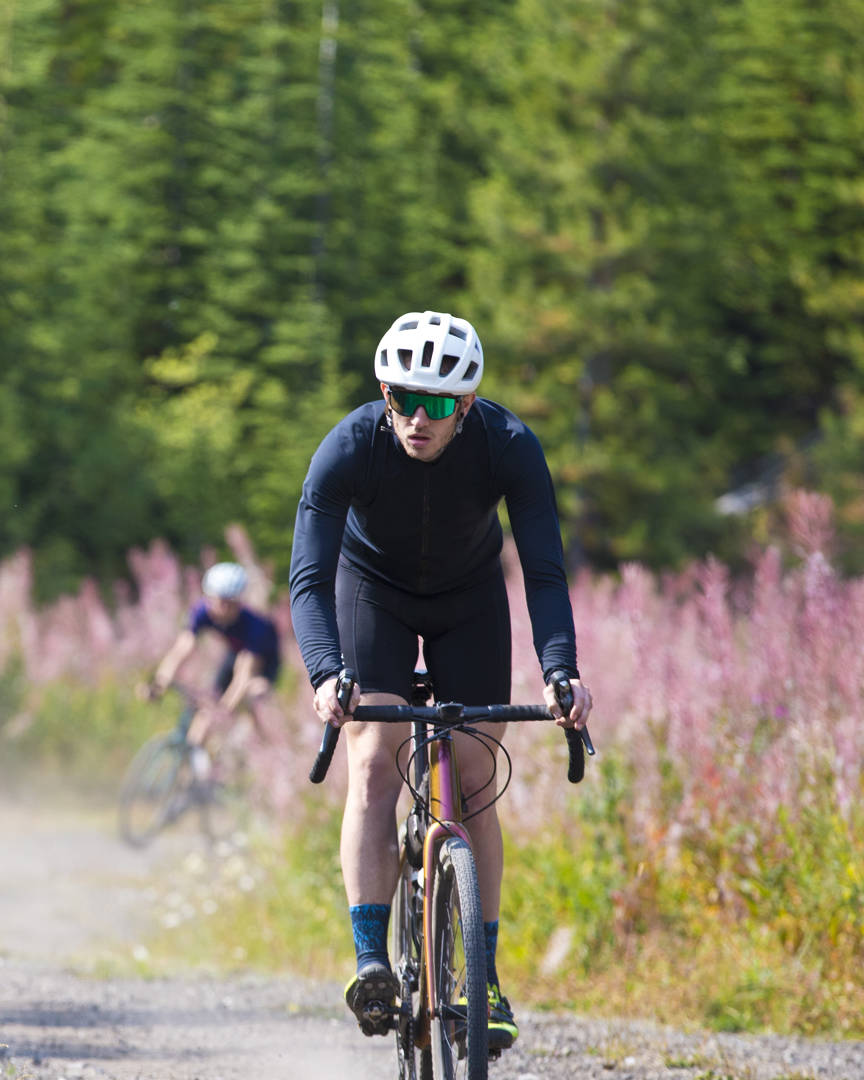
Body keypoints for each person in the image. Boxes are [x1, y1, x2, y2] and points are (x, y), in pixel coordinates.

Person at [287, 310, 595, 1052]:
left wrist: (562, 672)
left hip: (468, 601)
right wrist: (327, 674)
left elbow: (546, 572)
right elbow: (307, 578)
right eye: (402, 398)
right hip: (374, 596)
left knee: (474, 779)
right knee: (372, 756)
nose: (417, 419)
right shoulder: (351, 446)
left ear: (469, 405)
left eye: (439, 404)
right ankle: (370, 960)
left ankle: (482, 978)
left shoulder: (509, 447)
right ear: (384, 394)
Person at [141, 562, 283, 770]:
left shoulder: (256, 628)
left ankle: (261, 753)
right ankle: (196, 776)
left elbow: (243, 676)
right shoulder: (202, 611)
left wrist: (222, 711)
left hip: (261, 663)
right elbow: (182, 649)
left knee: (251, 695)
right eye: (217, 601)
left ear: (238, 602)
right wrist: (161, 681)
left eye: (229, 603)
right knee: (201, 723)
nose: (221, 609)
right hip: (234, 655)